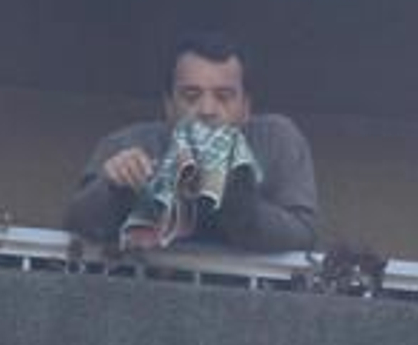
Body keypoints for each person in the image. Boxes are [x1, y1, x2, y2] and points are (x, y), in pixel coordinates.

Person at [64, 32, 319, 253]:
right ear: (168, 105)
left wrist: (234, 196)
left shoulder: (276, 139)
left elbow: (303, 235)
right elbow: (76, 224)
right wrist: (114, 189)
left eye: (224, 96)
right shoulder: (130, 143)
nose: (207, 109)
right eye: (191, 95)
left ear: (246, 107)